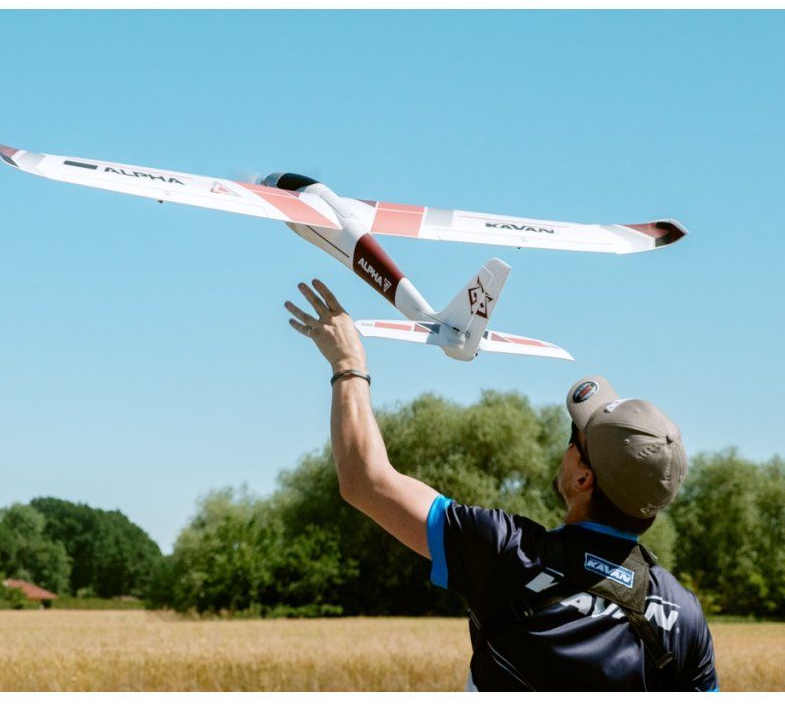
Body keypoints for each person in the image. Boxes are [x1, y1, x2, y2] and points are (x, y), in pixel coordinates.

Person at [284, 279, 718, 691]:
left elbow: (365, 480)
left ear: (583, 477)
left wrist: (348, 364)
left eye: (574, 438)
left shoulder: (509, 553)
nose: (565, 446)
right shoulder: (685, 617)